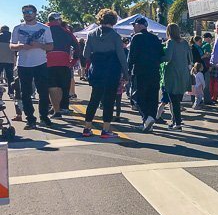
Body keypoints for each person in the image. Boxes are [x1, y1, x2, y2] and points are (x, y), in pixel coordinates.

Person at [82, 9, 129, 138]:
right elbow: (121, 57)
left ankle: (87, 128)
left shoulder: (91, 34)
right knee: (109, 100)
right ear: (113, 21)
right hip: (111, 71)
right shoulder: (115, 36)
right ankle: (106, 130)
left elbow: (85, 54)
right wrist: (126, 74)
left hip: (96, 70)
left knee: (94, 99)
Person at [10, 4, 54, 129]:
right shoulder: (17, 28)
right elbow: (11, 46)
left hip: (40, 63)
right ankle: (30, 119)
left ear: (35, 13)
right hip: (23, 64)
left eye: (29, 11)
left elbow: (50, 46)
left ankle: (44, 116)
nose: (27, 14)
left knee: (43, 92)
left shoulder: (44, 28)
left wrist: (38, 45)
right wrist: (21, 46)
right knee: (25, 93)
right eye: (24, 12)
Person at [127, 17, 164, 132]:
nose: (133, 28)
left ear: (139, 25)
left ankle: (147, 117)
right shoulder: (155, 38)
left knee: (137, 96)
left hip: (140, 71)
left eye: (134, 25)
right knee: (152, 97)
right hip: (154, 71)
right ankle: (149, 120)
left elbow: (131, 56)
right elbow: (161, 55)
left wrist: (127, 71)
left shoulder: (136, 38)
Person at [46, 13, 79, 118]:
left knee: (51, 87)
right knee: (63, 87)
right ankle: (63, 107)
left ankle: (53, 107)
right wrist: (73, 62)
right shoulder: (66, 32)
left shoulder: (43, 30)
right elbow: (77, 47)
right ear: (59, 20)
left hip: (47, 62)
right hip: (64, 63)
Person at [163, 24, 192, 130]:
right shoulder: (184, 42)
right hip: (184, 74)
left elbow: (168, 58)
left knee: (173, 100)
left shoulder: (170, 42)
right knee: (177, 100)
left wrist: (159, 58)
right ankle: (175, 121)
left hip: (173, 74)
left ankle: (177, 123)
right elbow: (190, 58)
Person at [202, 32, 213, 104]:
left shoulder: (200, 44)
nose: (211, 40)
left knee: (200, 83)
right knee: (207, 84)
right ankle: (207, 100)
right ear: (208, 38)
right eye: (211, 38)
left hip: (199, 66)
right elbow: (207, 55)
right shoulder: (208, 45)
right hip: (206, 66)